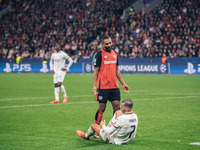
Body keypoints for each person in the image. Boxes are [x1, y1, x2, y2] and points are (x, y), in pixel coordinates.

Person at [93, 35, 129, 126]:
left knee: (117, 108)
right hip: (103, 86)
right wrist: (94, 86)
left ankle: (113, 128)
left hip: (114, 86)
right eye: (106, 44)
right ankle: (96, 129)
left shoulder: (115, 54)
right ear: (103, 44)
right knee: (102, 107)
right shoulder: (99, 54)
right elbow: (96, 71)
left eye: (109, 43)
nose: (108, 45)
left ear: (111, 42)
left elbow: (117, 70)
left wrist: (123, 84)